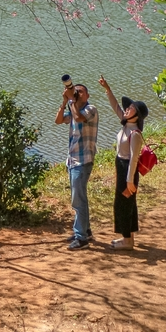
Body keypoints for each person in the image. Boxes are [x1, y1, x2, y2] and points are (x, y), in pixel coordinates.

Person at [98, 75, 149, 251]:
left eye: (131, 108)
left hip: (128, 169)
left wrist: (129, 181)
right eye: (128, 107)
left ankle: (127, 240)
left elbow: (134, 158)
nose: (127, 109)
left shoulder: (134, 133)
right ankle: (129, 238)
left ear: (137, 115)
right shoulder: (126, 124)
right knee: (127, 203)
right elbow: (115, 107)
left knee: (123, 203)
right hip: (121, 166)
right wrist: (108, 89)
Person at [55, 77, 98, 250]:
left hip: (83, 160)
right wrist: (64, 102)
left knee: (78, 200)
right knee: (80, 198)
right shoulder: (73, 110)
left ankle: (81, 239)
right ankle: (85, 231)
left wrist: (72, 101)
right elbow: (58, 120)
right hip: (72, 161)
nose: (77, 93)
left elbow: (79, 118)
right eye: (76, 91)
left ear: (87, 95)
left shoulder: (90, 109)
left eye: (80, 91)